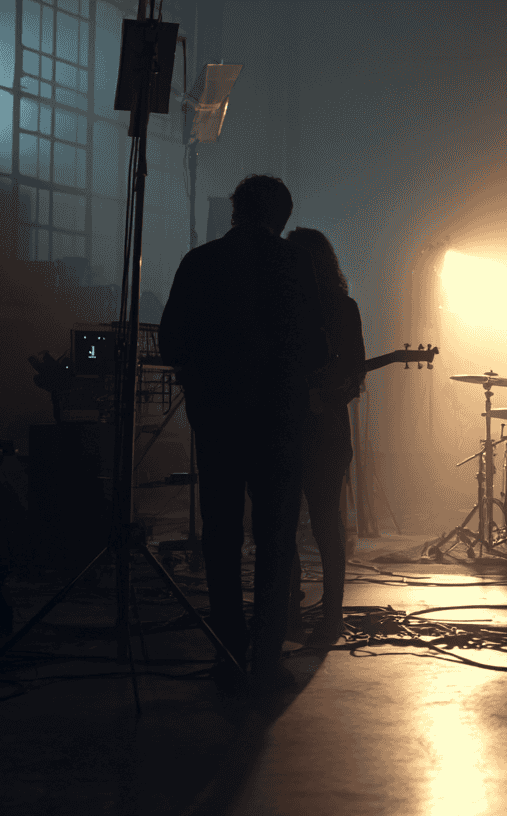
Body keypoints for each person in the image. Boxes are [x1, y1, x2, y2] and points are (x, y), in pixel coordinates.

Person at [158, 174, 329, 691]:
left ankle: (227, 650)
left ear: (234, 211)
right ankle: (267, 655)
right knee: (276, 538)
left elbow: (171, 343)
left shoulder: (201, 263)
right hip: (279, 422)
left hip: (219, 421)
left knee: (222, 535)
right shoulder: (296, 266)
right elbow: (318, 352)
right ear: (281, 217)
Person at [284, 227, 364, 648]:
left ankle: (311, 614)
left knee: (304, 526)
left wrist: (323, 393)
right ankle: (322, 614)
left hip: (310, 431)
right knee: (323, 526)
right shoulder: (339, 307)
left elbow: (354, 378)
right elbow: (357, 379)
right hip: (319, 431)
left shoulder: (330, 309)